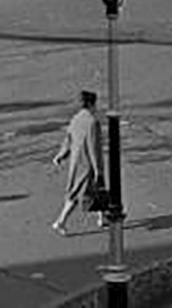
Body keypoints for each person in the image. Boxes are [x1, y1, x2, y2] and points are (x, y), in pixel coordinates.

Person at [51, 89, 105, 235]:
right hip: (87, 163)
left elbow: (68, 140)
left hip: (76, 162)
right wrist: (98, 169)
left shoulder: (75, 119)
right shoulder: (92, 122)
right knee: (82, 192)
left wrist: (61, 155)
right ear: (91, 104)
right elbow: (93, 147)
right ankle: (60, 221)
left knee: (91, 190)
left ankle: (103, 217)